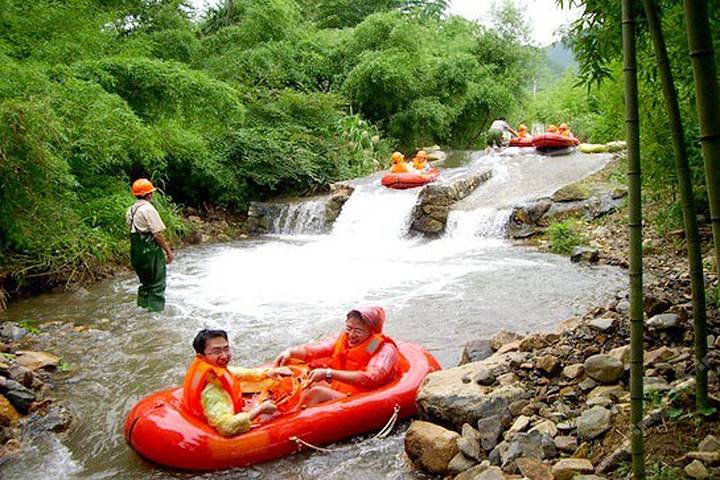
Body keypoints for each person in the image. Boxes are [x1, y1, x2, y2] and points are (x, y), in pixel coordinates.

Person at [274, 306, 401, 407]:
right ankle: (280, 407)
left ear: (372, 332)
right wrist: (290, 352)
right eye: (349, 328)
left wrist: (329, 373)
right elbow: (318, 349)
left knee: (317, 393)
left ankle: (288, 422)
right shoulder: (344, 338)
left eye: (358, 331)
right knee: (306, 380)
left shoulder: (383, 349)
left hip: (365, 398)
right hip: (343, 388)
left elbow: (371, 377)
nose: (351, 335)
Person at [182, 329, 284, 436]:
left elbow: (237, 373)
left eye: (226, 349)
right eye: (217, 352)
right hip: (218, 423)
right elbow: (226, 427)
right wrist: (260, 410)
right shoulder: (212, 391)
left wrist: (267, 373)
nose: (224, 356)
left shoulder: (210, 369)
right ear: (201, 355)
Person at [126, 179, 173, 312]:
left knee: (145, 284)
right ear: (149, 194)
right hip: (150, 250)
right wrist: (168, 251)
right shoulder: (148, 209)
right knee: (157, 284)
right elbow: (157, 234)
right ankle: (155, 316)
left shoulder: (130, 210)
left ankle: (142, 310)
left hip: (136, 251)